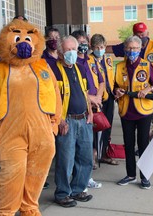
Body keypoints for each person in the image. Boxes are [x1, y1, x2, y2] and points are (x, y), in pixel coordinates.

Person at [0, 19, 62, 216]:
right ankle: (6, 211)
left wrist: (54, 125)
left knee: (37, 172)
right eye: (18, 38)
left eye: (28, 38)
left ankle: (29, 207)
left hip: (42, 131)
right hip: (10, 132)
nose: (23, 43)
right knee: (11, 174)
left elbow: (55, 95)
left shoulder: (43, 66)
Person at [114, 35, 153, 189]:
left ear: (140, 49)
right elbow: (115, 86)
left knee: (143, 145)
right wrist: (117, 91)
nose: (132, 51)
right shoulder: (120, 66)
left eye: (135, 48)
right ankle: (131, 174)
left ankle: (145, 176)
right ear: (125, 49)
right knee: (128, 144)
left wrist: (149, 88)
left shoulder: (147, 65)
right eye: (129, 48)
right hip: (126, 110)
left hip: (143, 112)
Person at [107, 22, 153, 136]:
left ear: (147, 32)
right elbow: (110, 49)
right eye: (137, 33)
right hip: (132, 95)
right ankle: (142, 148)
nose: (141, 35)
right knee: (135, 129)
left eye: (142, 33)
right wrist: (97, 46)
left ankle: (151, 151)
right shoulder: (128, 46)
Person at [54, 35, 94, 208]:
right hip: (67, 121)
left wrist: (90, 113)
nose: (71, 53)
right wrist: (59, 120)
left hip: (84, 119)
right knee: (66, 159)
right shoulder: (54, 70)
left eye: (74, 49)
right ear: (61, 52)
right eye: (67, 50)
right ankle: (62, 193)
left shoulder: (80, 68)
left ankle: (78, 189)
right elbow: (52, 98)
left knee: (85, 158)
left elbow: (85, 93)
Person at [71, 29, 103, 189]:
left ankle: (86, 178)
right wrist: (91, 99)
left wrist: (97, 99)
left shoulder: (90, 61)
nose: (84, 46)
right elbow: (77, 90)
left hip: (91, 110)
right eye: (80, 43)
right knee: (76, 151)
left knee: (87, 148)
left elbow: (101, 81)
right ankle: (77, 182)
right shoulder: (72, 63)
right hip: (78, 111)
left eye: (85, 43)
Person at [88, 34, 118, 166]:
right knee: (96, 126)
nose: (100, 49)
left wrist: (116, 89)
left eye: (102, 47)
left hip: (109, 97)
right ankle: (93, 154)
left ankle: (104, 153)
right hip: (96, 98)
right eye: (96, 47)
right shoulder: (88, 61)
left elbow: (112, 77)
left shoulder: (108, 59)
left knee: (107, 126)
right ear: (92, 47)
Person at [41, 27, 62, 190]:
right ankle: (42, 176)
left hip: (65, 103)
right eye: (50, 37)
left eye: (56, 37)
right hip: (48, 106)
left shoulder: (63, 57)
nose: (54, 40)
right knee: (46, 145)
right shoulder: (41, 59)